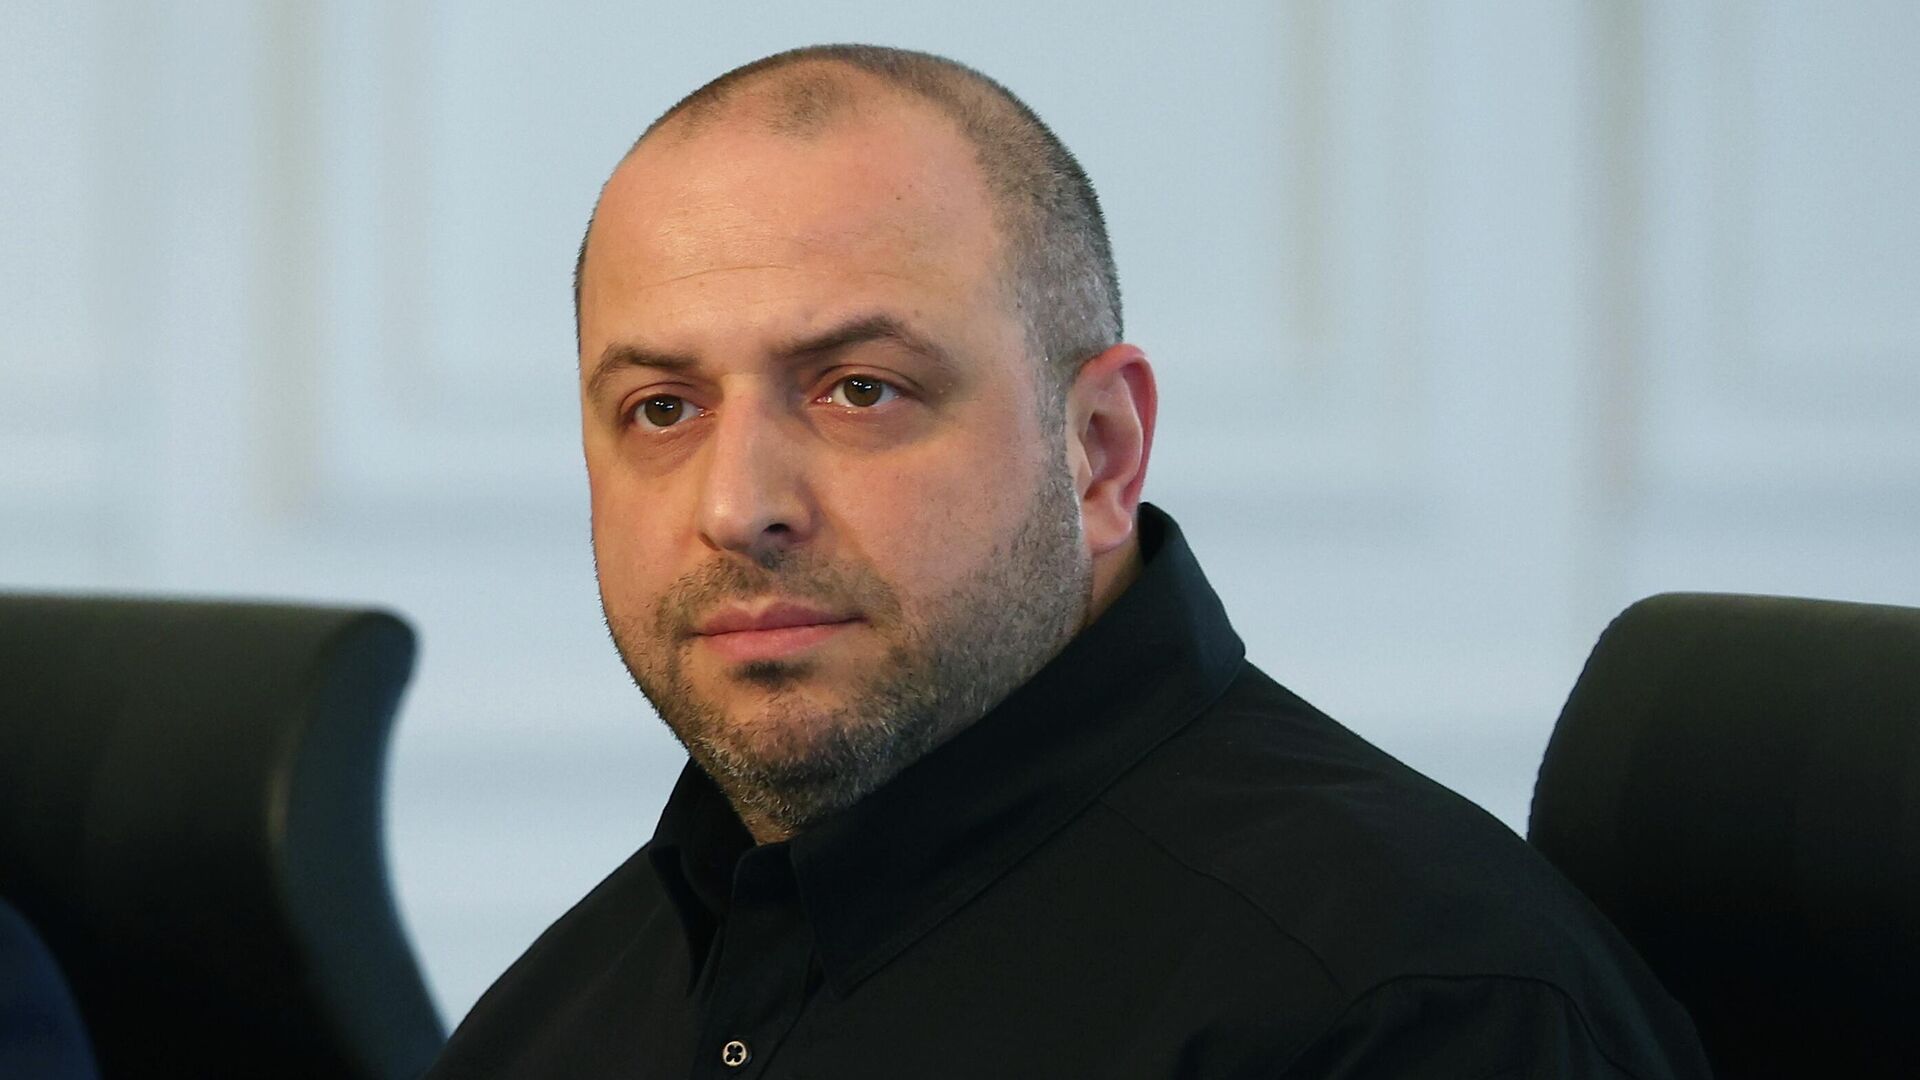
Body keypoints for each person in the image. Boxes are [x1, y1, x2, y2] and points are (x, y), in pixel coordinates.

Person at [426, 44, 1710, 1078]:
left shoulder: (1415, 1011)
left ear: (1099, 452)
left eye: (859, 389)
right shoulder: (552, 1020)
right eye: (662, 408)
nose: (738, 505)